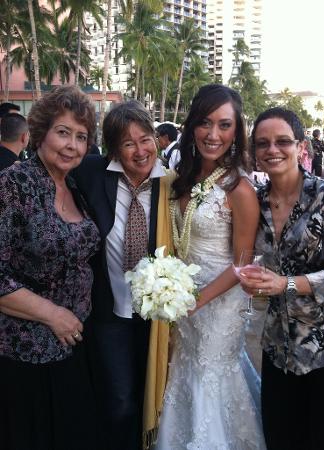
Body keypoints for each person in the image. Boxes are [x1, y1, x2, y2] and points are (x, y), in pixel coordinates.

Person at [155, 84, 266, 450]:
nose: (212, 134)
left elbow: (242, 264)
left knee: (209, 372)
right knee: (185, 369)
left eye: (224, 125)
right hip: (182, 297)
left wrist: (197, 300)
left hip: (218, 302)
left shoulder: (240, 188)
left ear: (237, 131)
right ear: (191, 126)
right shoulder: (182, 177)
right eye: (204, 123)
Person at [0, 85, 101, 450]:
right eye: (63, 132)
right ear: (39, 133)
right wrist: (52, 314)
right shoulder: (14, 183)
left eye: (81, 136)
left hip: (73, 350)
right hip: (25, 354)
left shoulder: (74, 185)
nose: (72, 145)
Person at [73, 100, 172, 450]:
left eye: (145, 139)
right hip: (109, 312)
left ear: (157, 140)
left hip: (159, 315)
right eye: (128, 143)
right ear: (114, 148)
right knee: (119, 401)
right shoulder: (90, 172)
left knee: (155, 395)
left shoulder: (172, 186)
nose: (140, 150)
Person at [241, 107, 324, 450]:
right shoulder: (255, 200)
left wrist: (287, 284)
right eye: (263, 143)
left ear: (300, 147)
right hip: (277, 348)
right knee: (280, 439)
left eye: (283, 141)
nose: (272, 150)